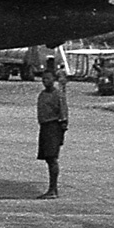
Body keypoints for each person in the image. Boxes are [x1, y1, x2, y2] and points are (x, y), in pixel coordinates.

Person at [35, 70, 68, 199]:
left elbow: (63, 114)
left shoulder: (58, 95)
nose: (45, 81)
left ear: (53, 80)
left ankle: (53, 189)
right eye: (43, 79)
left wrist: (61, 133)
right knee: (48, 158)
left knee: (52, 158)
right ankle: (51, 189)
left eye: (48, 79)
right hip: (44, 127)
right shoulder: (42, 94)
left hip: (54, 127)